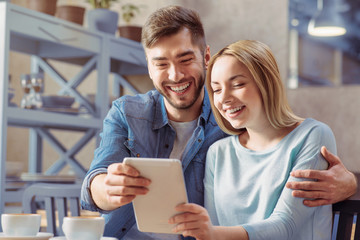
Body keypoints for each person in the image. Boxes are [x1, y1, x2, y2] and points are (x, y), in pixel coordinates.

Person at [80, 5, 357, 240]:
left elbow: (278, 138)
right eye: (161, 63)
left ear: (206, 57)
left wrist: (351, 185)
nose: (175, 75)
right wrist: (107, 188)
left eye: (185, 58)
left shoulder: (231, 125)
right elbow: (94, 183)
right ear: (149, 67)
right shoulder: (127, 112)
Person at [169, 40, 335, 240]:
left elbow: (286, 226)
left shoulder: (313, 135)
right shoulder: (218, 152)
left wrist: (212, 233)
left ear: (266, 83)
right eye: (217, 89)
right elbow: (212, 229)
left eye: (237, 84)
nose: (223, 99)